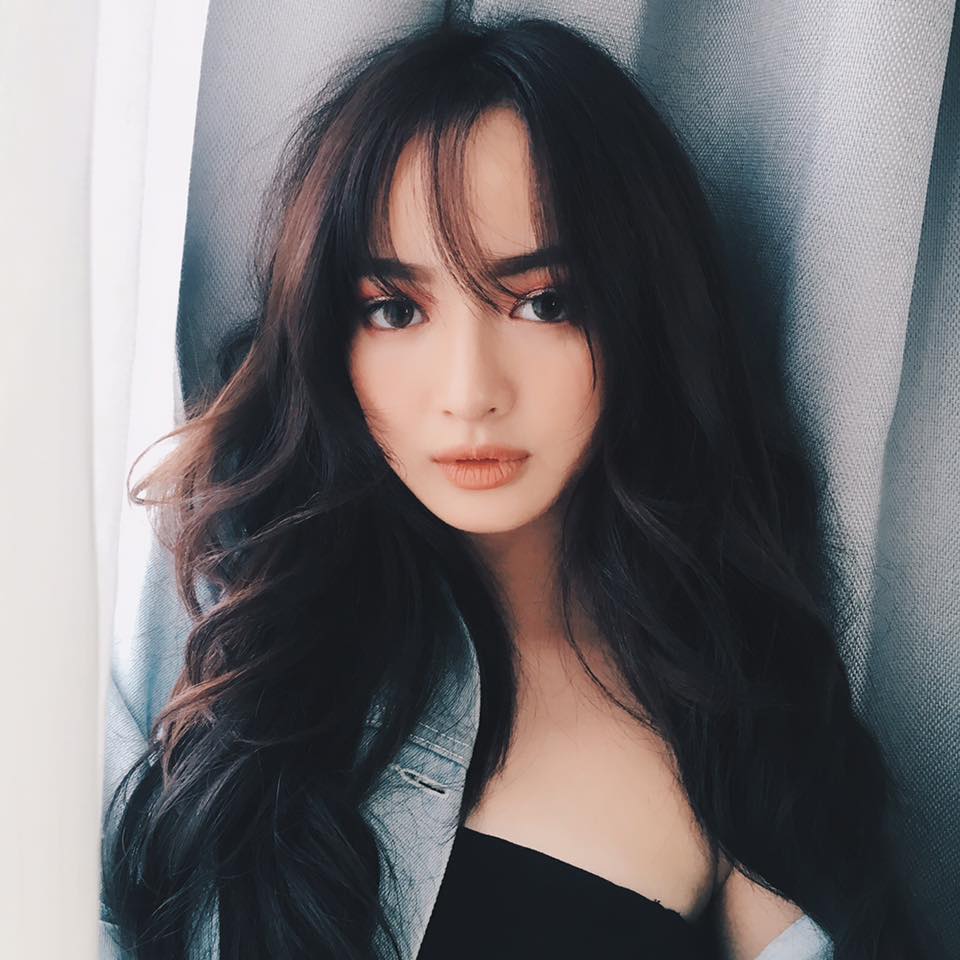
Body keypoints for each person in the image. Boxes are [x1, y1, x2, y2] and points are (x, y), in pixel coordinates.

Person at [99, 12, 932, 960]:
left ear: (643, 316)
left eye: (544, 303)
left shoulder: (736, 729)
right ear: (327, 332)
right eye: (395, 310)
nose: (470, 393)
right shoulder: (221, 641)